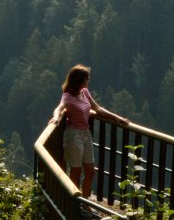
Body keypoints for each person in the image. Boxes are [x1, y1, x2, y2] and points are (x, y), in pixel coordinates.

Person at [50, 64, 129, 201]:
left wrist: (116, 117)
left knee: (90, 171)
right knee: (75, 171)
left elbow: (97, 108)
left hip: (86, 133)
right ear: (79, 80)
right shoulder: (68, 96)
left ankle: (85, 201)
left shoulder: (84, 92)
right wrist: (56, 119)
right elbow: (59, 108)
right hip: (73, 135)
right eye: (87, 78)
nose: (89, 80)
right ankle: (73, 203)